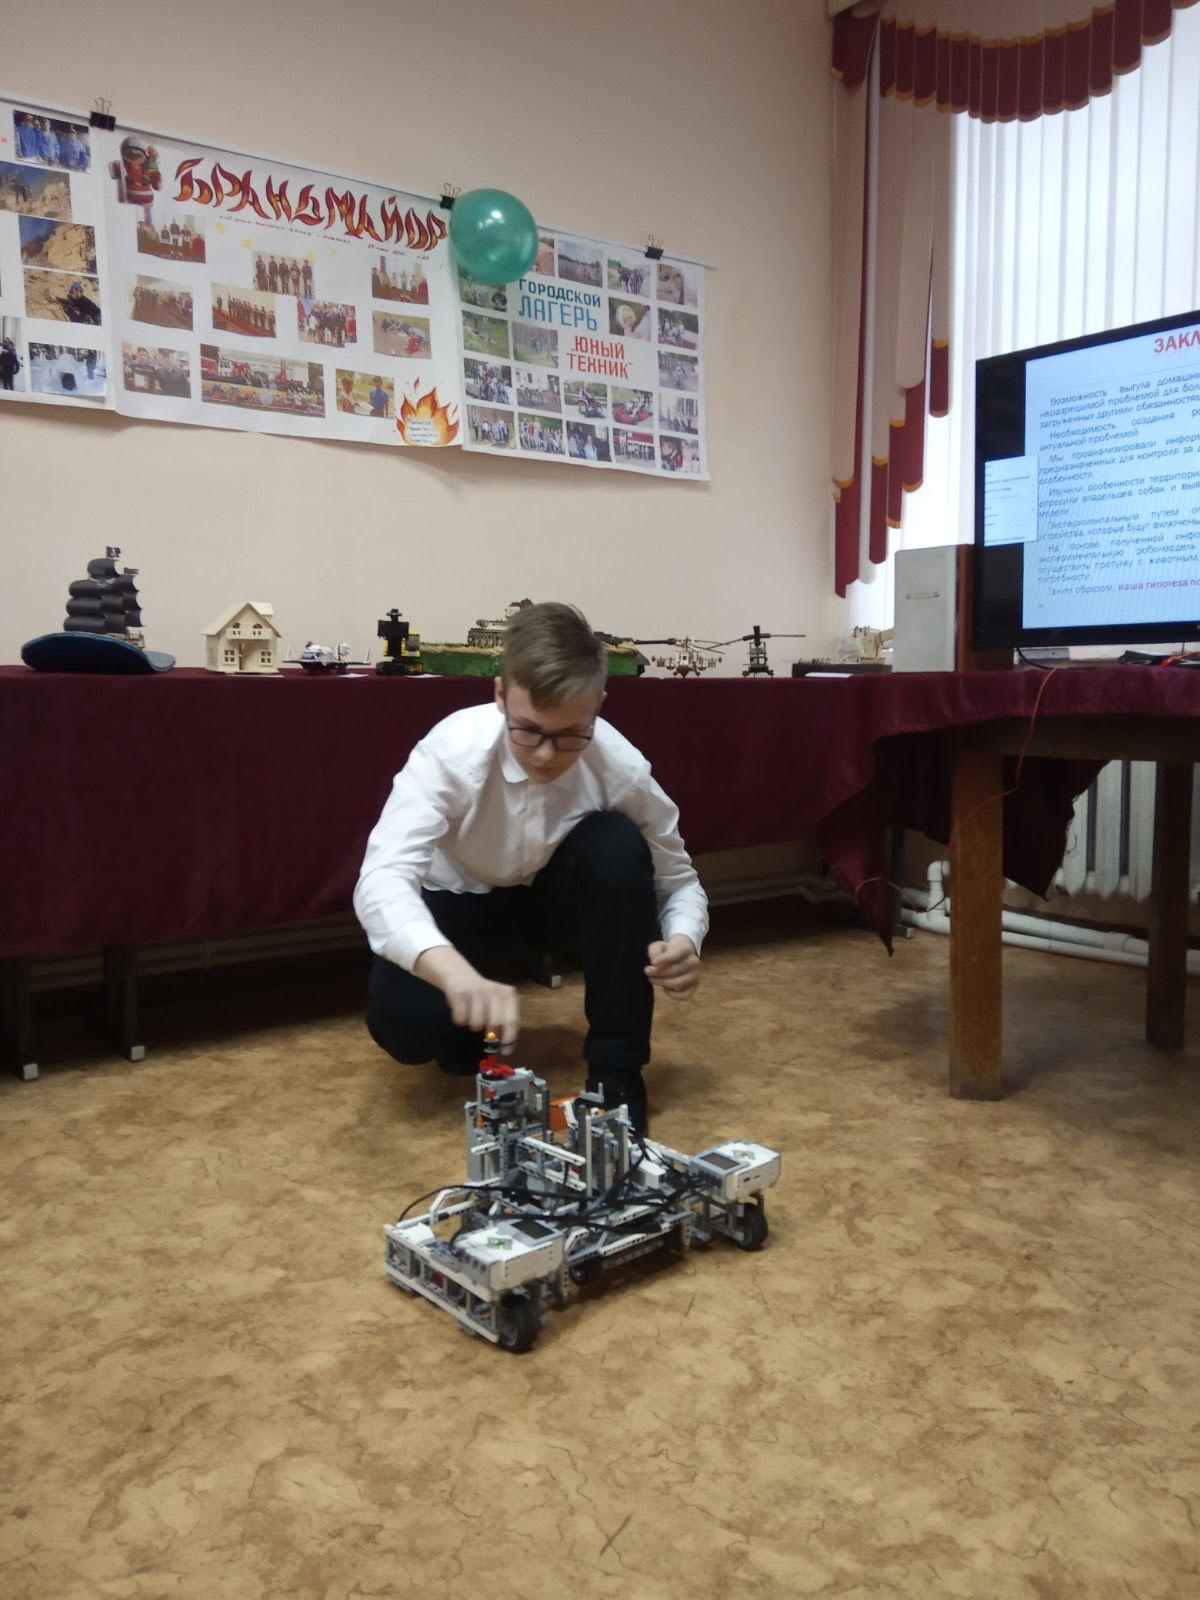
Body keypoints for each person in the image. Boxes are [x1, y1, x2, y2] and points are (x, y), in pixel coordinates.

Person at [355, 601, 707, 1133]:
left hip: (549, 910)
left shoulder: (621, 765)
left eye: (570, 734)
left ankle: (616, 1075)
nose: (545, 754)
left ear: (599, 705)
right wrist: (453, 975)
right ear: (500, 694)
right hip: (457, 908)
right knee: (406, 1030)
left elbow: (678, 878)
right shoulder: (451, 751)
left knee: (614, 844)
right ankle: (468, 1023)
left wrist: (684, 938)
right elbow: (381, 879)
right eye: (527, 730)